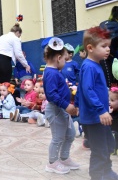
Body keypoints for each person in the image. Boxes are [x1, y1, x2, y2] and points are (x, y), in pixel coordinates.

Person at [76, 27, 117, 179]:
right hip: (95, 118)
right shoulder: (88, 66)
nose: (108, 49)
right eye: (104, 46)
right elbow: (87, 90)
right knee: (99, 149)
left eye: (109, 46)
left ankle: (107, 171)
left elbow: (84, 89)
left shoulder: (96, 64)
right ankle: (98, 175)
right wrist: (101, 110)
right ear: (90, 48)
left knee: (108, 146)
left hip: (100, 116)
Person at [43, 37, 79, 174]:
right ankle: (52, 163)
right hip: (56, 110)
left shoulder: (54, 72)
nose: (65, 61)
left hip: (62, 109)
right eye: (64, 59)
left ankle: (64, 158)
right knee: (58, 137)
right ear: (58, 58)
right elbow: (51, 95)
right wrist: (66, 105)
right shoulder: (51, 73)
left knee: (70, 134)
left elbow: (57, 90)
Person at [0, 23, 30, 104]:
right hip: (3, 60)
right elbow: (18, 54)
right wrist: (26, 65)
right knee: (5, 83)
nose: (19, 38)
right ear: (18, 32)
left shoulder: (2, 37)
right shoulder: (15, 38)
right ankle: (4, 102)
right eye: (19, 36)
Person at [99, 6, 118, 87]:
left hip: (104, 58)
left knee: (108, 84)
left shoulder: (104, 24)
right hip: (113, 58)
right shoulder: (116, 25)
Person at [109, 87, 118, 155]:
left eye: (112, 100)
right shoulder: (109, 112)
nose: (109, 102)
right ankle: (113, 149)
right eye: (109, 100)